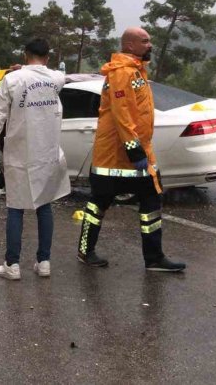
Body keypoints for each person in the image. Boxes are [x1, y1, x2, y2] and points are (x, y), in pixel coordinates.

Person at [76, 27, 185, 272]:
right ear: (129, 46)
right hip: (113, 158)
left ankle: (154, 257)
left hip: (138, 155)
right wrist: (133, 149)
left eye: (150, 40)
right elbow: (122, 114)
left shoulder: (137, 71)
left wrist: (140, 151)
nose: (150, 45)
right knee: (98, 204)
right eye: (145, 41)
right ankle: (85, 250)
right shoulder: (121, 74)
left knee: (151, 202)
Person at [0, 38, 69, 280]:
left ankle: (13, 264)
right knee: (44, 205)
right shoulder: (56, 78)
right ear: (48, 57)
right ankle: (44, 262)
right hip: (47, 153)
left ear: (24, 55)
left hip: (20, 152)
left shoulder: (12, 80)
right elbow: (63, 76)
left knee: (16, 207)